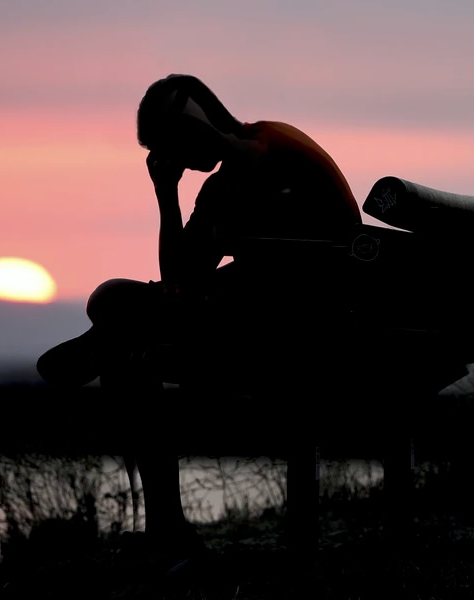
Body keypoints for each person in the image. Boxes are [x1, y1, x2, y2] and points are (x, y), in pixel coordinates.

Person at [37, 73, 362, 566]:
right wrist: (166, 194)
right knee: (113, 306)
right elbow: (179, 279)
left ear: (196, 127)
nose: (175, 160)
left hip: (295, 334)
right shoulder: (222, 185)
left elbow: (199, 285)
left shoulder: (272, 148)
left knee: (124, 341)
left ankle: (166, 529)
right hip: (257, 320)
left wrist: (209, 136)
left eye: (172, 145)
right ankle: (166, 526)